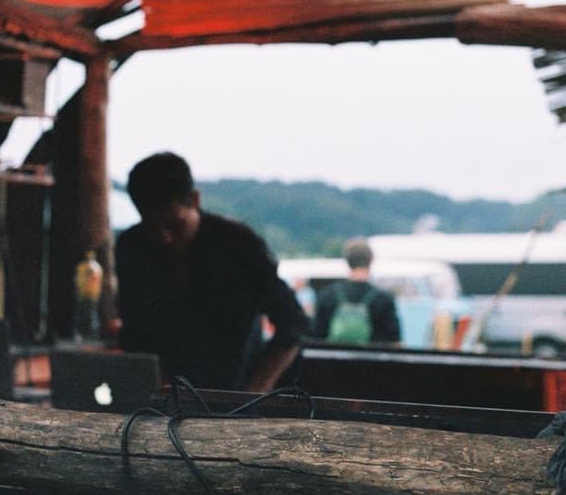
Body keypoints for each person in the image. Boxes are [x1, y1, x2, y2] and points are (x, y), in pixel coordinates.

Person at [114, 152, 308, 391]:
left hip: (236, 390)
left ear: (194, 199)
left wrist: (254, 392)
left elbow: (292, 325)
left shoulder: (239, 244)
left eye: (174, 225)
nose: (165, 238)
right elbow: (133, 331)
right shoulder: (132, 247)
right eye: (152, 227)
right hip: (166, 395)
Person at [312, 237, 401, 344]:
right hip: (371, 359)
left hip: (335, 359)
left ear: (347, 261)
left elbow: (316, 337)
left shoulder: (327, 295)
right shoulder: (384, 299)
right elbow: (394, 341)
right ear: (371, 260)